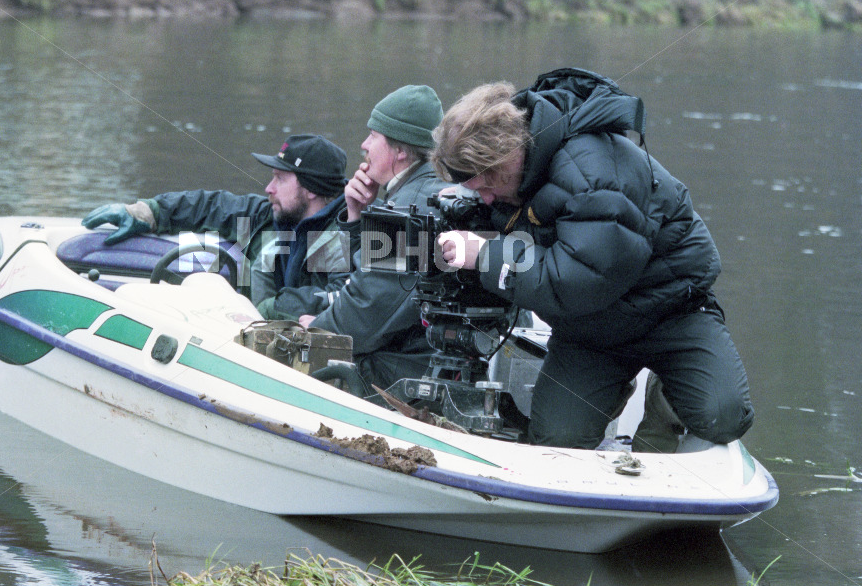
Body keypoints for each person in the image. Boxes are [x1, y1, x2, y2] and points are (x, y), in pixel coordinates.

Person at [431, 68, 754, 450]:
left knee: (723, 417)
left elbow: (579, 281)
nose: (484, 197)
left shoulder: (594, 171)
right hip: (590, 332)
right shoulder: (509, 181)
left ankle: (665, 393)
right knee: (556, 441)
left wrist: (485, 254)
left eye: (488, 183)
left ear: (508, 154)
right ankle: (612, 386)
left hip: (671, 310)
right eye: (474, 188)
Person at [81, 134, 351, 321]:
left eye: (280, 179)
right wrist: (148, 211)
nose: (269, 188)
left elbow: (340, 296)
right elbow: (212, 205)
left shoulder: (345, 233)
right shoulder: (274, 214)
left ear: (312, 189)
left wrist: (269, 310)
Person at [300, 85, 447, 394]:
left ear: (401, 151)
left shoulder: (406, 211)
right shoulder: (425, 192)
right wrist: (355, 216)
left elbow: (363, 315)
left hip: (400, 373)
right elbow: (356, 286)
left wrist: (313, 331)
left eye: (374, 136)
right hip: (421, 358)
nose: (364, 145)